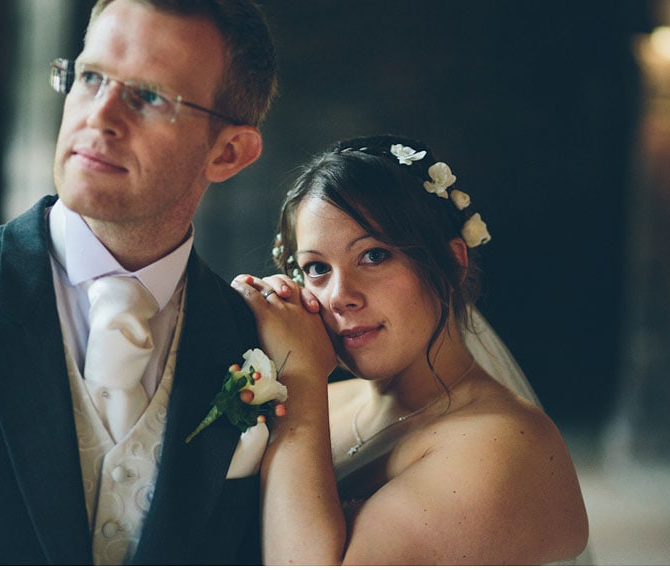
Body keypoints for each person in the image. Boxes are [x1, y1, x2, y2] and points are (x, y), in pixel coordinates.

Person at [0, 0, 277, 565]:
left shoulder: (264, 345)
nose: (99, 116)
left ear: (227, 152)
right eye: (91, 77)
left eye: (150, 96)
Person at [230, 135, 592, 564]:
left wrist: (302, 377)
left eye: (374, 255)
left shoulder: (504, 448)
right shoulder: (329, 403)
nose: (340, 296)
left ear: (453, 263)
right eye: (317, 268)